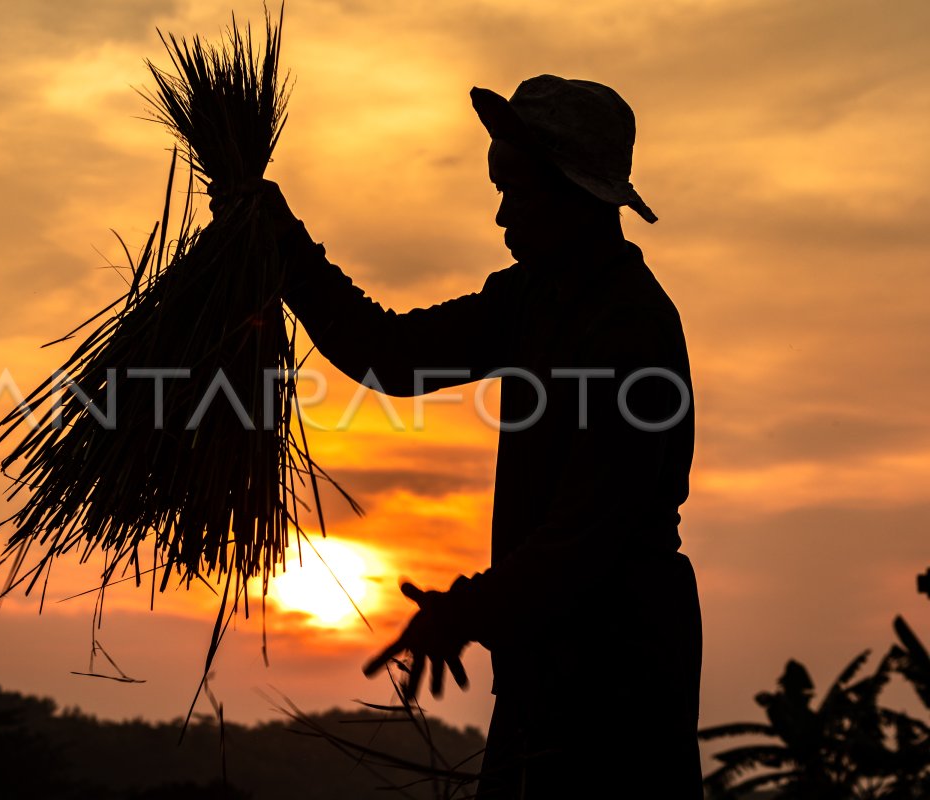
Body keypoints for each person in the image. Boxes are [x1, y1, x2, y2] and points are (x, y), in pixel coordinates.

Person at [218, 75, 702, 798]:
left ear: (579, 197)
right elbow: (392, 353)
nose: (502, 215)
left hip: (616, 679)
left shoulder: (628, 329)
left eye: (519, 191)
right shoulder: (528, 300)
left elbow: (585, 538)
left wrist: (464, 612)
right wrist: (284, 245)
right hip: (545, 664)